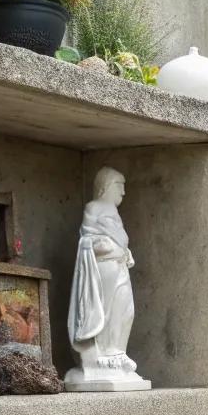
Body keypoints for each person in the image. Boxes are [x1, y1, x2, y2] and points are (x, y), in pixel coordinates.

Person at [66, 166, 150, 390]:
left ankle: (118, 351)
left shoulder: (113, 211)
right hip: (104, 269)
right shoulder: (93, 207)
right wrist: (102, 246)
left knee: (126, 310)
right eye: (119, 186)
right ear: (106, 186)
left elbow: (119, 240)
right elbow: (88, 239)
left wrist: (125, 252)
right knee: (105, 309)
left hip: (120, 267)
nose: (123, 193)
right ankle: (102, 354)